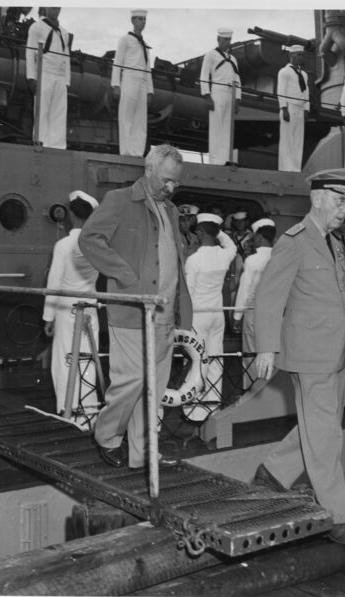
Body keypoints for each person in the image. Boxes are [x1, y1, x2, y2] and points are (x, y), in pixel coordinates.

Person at [252, 174, 345, 547]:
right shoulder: (294, 242)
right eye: (341, 202)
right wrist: (265, 348)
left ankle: (273, 473)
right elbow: (269, 297)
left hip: (335, 350)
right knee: (325, 435)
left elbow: (342, 291)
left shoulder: (334, 242)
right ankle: (335, 515)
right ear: (319, 198)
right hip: (309, 353)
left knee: (321, 425)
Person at [78, 144, 192, 469]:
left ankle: (142, 454)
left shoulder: (170, 210)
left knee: (153, 389)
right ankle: (107, 436)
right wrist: (126, 276)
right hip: (131, 312)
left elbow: (177, 265)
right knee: (131, 381)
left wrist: (185, 312)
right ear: (149, 170)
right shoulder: (119, 200)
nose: (171, 188)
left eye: (176, 183)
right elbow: (89, 239)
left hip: (165, 316)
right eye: (167, 180)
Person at [43, 191, 100, 425]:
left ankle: (70, 410)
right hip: (90, 309)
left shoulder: (63, 245)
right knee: (88, 359)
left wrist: (48, 317)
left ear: (71, 216)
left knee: (65, 359)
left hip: (66, 310)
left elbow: (54, 283)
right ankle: (89, 411)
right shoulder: (97, 244)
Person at [184, 213, 238, 421]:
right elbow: (230, 244)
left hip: (199, 315)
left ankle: (194, 409)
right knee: (216, 359)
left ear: (198, 232)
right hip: (217, 315)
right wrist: (217, 231)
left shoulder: (194, 260)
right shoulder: (224, 254)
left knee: (197, 360)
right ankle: (212, 405)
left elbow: (188, 294)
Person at [233, 218, 276, 389]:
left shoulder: (252, 260)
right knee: (271, 354)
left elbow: (244, 289)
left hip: (254, 312)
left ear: (258, 237)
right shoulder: (280, 258)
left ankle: (250, 393)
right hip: (275, 313)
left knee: (251, 355)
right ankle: (268, 393)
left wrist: (237, 316)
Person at [26, 7, 70, 149]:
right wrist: (31, 77)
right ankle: (40, 144)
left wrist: (67, 81)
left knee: (59, 113)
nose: (55, 9)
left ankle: (57, 147)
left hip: (60, 76)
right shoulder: (36, 27)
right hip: (44, 73)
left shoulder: (64, 32)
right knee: (42, 110)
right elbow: (30, 52)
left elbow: (66, 57)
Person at [111, 9, 153, 157]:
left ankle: (137, 151)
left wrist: (149, 90)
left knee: (140, 120)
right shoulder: (125, 40)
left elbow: (148, 68)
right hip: (129, 78)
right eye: (140, 19)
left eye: (144, 20)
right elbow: (117, 62)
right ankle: (126, 151)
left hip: (142, 81)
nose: (143, 22)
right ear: (133, 21)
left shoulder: (146, 45)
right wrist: (115, 84)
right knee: (126, 116)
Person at [200, 28, 242, 165]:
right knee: (216, 128)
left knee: (227, 130)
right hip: (217, 91)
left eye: (229, 40)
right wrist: (207, 95)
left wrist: (238, 98)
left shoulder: (233, 59)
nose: (227, 43)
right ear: (218, 40)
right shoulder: (211, 55)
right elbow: (204, 75)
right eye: (225, 40)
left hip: (231, 93)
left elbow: (237, 78)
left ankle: (225, 159)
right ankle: (215, 161)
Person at [277, 45, 309, 172]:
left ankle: (296, 168)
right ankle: (286, 168)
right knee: (287, 140)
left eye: (302, 55)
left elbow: (306, 92)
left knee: (298, 140)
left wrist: (307, 109)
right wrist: (284, 108)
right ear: (291, 56)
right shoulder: (284, 72)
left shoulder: (304, 74)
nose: (301, 57)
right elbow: (281, 91)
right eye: (299, 55)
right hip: (289, 107)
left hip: (300, 109)